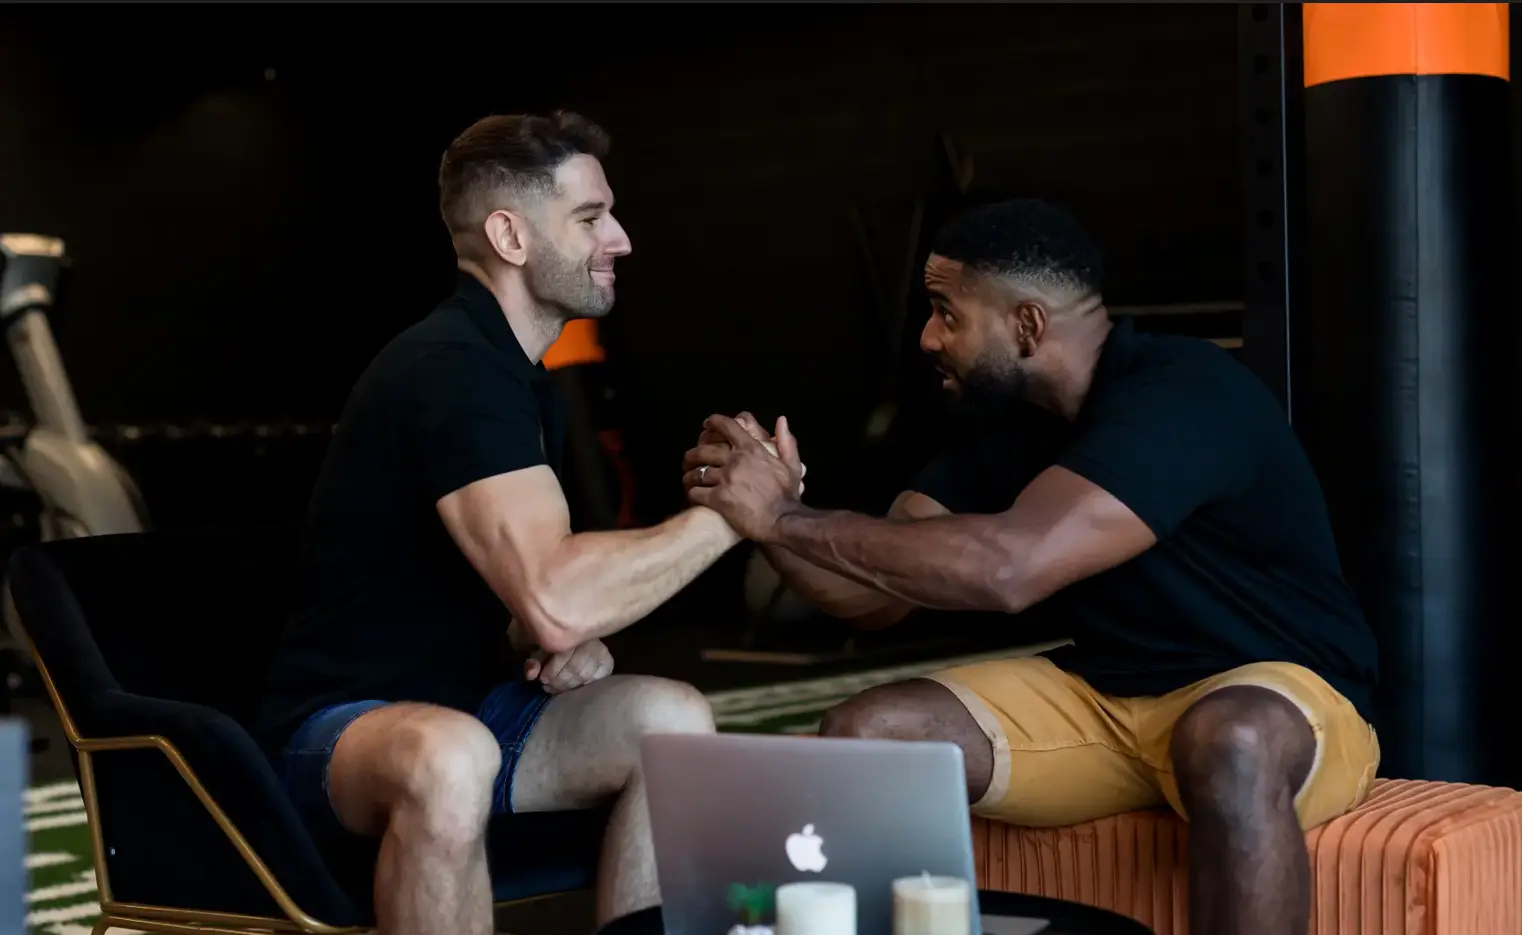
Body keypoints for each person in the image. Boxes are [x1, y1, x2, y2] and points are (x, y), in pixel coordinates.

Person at [681, 198, 1380, 935]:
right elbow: (869, 597)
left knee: (1227, 740)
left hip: (1275, 687)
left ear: (1028, 326)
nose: (926, 336)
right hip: (1108, 698)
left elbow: (1009, 570)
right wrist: (767, 512)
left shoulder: (1184, 393)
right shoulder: (1003, 423)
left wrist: (785, 519)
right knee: (871, 727)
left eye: (946, 313)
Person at [254, 111, 742, 935]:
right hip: (334, 734)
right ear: (510, 236)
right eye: (590, 218)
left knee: (673, 723)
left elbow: (528, 602)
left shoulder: (521, 380)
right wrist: (734, 515)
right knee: (451, 756)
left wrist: (543, 638)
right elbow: (559, 593)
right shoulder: (451, 368)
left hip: (474, 706)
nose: (619, 238)